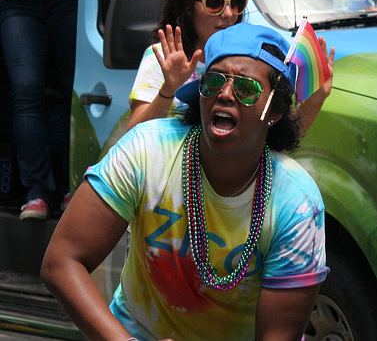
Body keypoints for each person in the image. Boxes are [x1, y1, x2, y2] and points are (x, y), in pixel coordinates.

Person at [42, 22, 329, 340]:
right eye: (214, 82)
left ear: (273, 112)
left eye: (246, 89)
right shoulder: (147, 150)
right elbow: (61, 261)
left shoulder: (297, 203)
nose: (224, 94)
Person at [127, 0, 334, 137]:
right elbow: (132, 139)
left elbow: (274, 142)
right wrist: (169, 88)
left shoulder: (251, 60)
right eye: (214, 3)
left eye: (236, 3)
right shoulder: (163, 60)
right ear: (188, 8)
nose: (228, 14)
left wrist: (317, 98)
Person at [0, 0, 81, 219]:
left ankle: (69, 185)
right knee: (26, 91)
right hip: (14, 1)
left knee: (69, 89)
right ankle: (36, 193)